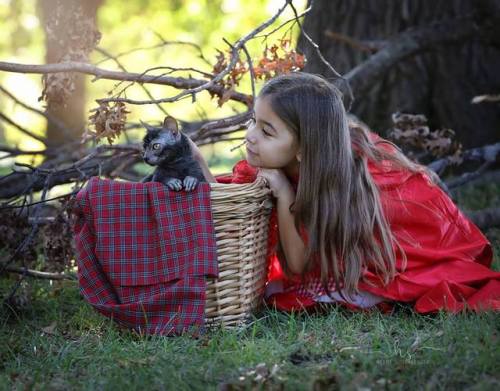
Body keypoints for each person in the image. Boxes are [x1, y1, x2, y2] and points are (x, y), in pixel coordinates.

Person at [191, 72, 500, 314]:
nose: (250, 136)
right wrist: (196, 160)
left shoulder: (353, 186)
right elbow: (224, 200)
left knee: (286, 293)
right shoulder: (273, 164)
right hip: (327, 257)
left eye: (266, 131)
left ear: (304, 149)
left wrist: (285, 196)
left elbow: (296, 267)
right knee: (278, 291)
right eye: (252, 122)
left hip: (388, 264)